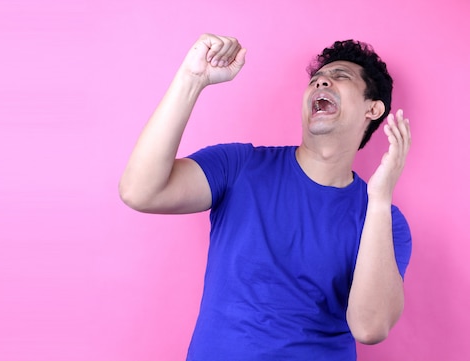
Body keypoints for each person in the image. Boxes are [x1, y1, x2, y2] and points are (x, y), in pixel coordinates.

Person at [119, 33, 411, 360]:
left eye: (340, 77)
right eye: (316, 80)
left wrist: (380, 200)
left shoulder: (385, 220)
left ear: (373, 108)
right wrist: (192, 79)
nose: (322, 83)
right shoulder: (239, 165)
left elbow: (370, 327)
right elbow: (139, 191)